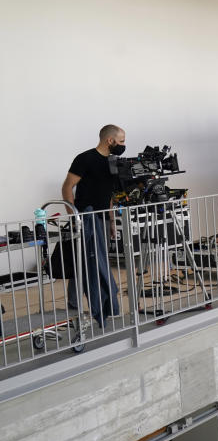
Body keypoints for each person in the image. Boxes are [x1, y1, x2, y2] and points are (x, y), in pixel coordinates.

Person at [61, 125, 124, 326]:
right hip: (86, 218)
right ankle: (74, 304)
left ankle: (91, 303)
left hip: (103, 218)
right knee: (82, 260)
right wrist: (75, 217)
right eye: (121, 141)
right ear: (110, 141)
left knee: (96, 261)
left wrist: (112, 220)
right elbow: (67, 187)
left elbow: (109, 195)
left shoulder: (113, 162)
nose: (123, 145)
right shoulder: (85, 159)